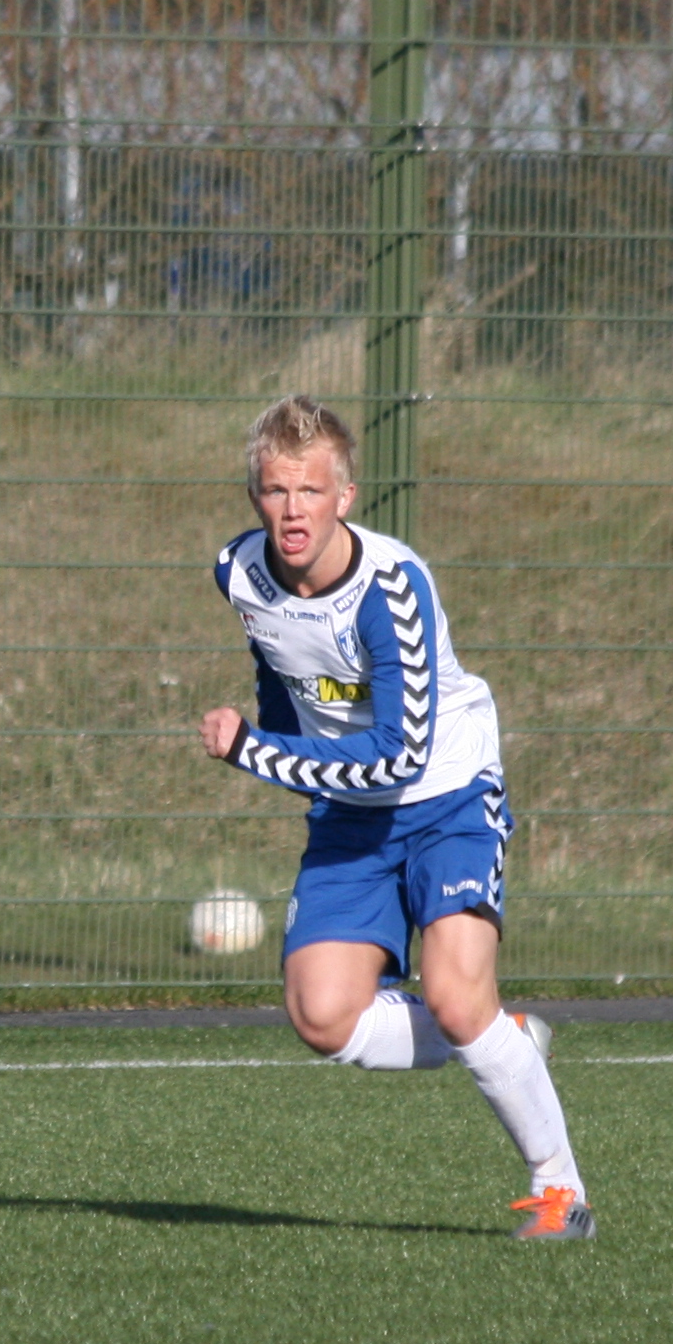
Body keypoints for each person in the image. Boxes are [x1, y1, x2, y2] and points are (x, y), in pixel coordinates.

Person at [197, 394, 588, 1241]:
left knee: (453, 994)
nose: (291, 510)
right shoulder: (238, 571)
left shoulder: (391, 591)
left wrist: (253, 752)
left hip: (446, 796)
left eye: (310, 490)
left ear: (345, 496)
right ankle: (498, 1037)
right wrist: (281, 739)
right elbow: (278, 666)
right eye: (275, 490)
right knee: (321, 1016)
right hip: (350, 809)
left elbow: (398, 756)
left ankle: (560, 1191)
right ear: (254, 495)